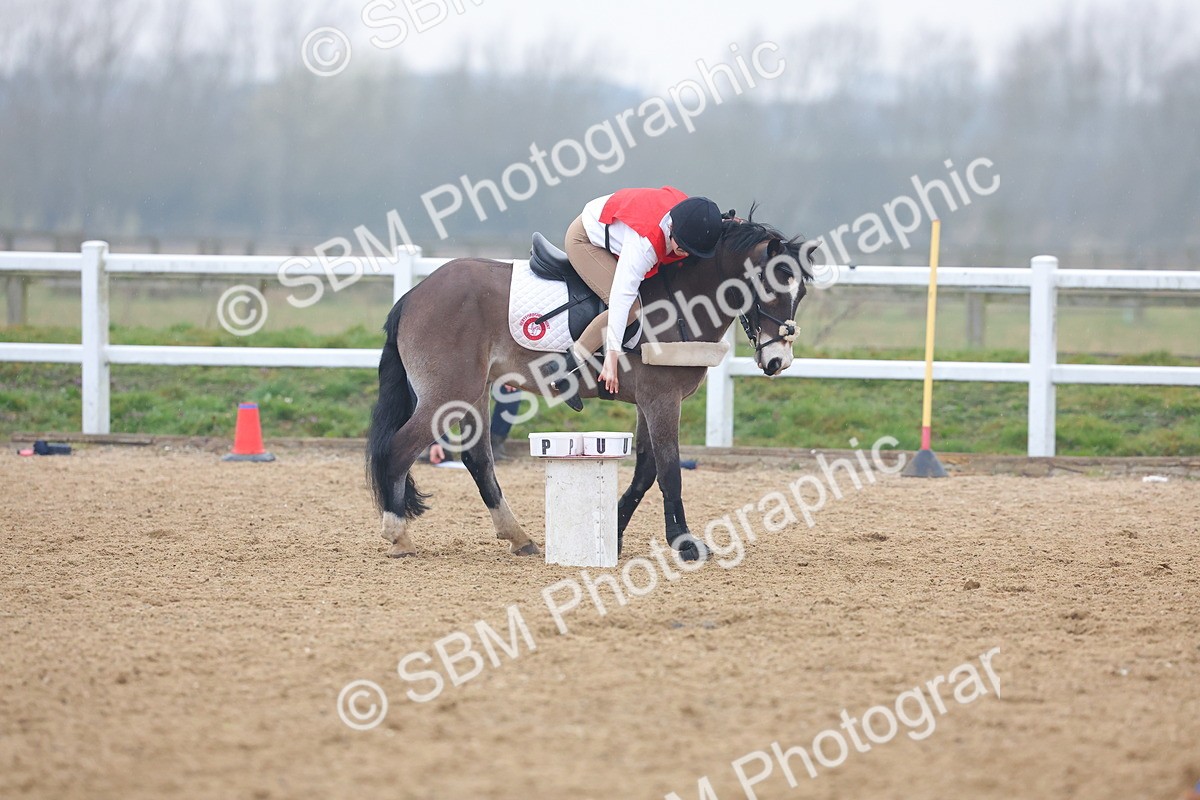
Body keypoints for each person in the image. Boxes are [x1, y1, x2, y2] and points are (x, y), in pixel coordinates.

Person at [552, 187, 723, 409]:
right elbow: (621, 298)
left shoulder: (689, 212)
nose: (687, 254)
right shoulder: (644, 246)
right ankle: (569, 365)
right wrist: (612, 358)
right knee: (632, 308)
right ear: (671, 227)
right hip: (584, 240)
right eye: (683, 248)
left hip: (616, 225)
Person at [423, 384, 522, 463]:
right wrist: (436, 441)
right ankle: (440, 447)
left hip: (486, 366)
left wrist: (505, 374)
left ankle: (493, 445)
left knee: (511, 389)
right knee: (437, 386)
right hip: (455, 368)